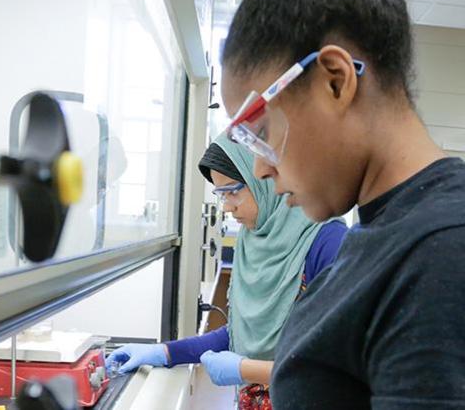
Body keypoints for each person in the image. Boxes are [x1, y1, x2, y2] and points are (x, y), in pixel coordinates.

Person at [217, 0, 465, 408]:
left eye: (259, 133)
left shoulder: (442, 253)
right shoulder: (384, 236)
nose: (261, 166)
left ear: (334, 81)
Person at [106, 134, 347, 408]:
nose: (227, 207)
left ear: (265, 177)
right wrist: (164, 352)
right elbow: (238, 333)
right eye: (220, 195)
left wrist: (244, 369)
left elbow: (337, 365)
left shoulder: (327, 241)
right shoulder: (252, 238)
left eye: (233, 191)